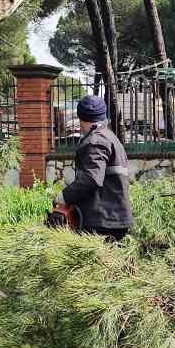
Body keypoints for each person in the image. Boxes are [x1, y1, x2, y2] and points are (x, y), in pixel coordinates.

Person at [58, 94, 133, 241]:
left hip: (103, 222)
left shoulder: (95, 140)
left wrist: (64, 197)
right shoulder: (110, 137)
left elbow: (91, 178)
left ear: (81, 118)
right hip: (113, 219)